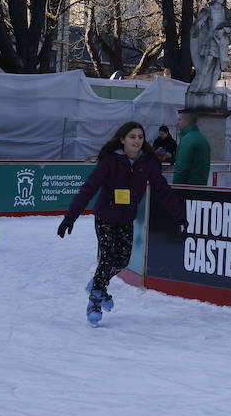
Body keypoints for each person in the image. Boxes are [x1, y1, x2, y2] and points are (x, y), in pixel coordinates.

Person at [57, 121, 186, 326]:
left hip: (126, 218)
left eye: (140, 137)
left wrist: (179, 215)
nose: (137, 140)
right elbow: (89, 188)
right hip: (106, 216)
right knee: (108, 257)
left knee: (123, 260)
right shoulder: (110, 162)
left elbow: (162, 190)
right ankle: (95, 301)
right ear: (122, 139)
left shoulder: (147, 164)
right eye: (132, 137)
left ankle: (98, 285)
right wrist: (70, 216)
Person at [172, 109, 210, 186]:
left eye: (180, 120)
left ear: (187, 121)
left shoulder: (187, 140)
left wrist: (175, 187)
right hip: (201, 187)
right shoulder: (203, 139)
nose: (177, 123)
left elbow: (181, 168)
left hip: (187, 189)